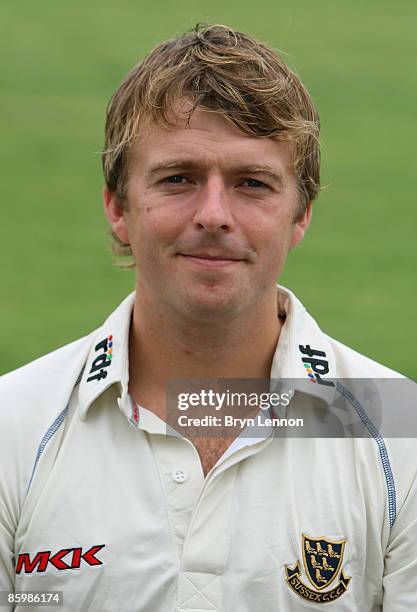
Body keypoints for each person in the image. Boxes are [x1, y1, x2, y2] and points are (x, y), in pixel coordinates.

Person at [0, 24, 416, 611]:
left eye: (252, 183)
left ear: (301, 216)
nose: (214, 214)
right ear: (118, 207)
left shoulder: (403, 436)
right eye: (178, 179)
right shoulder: (12, 429)